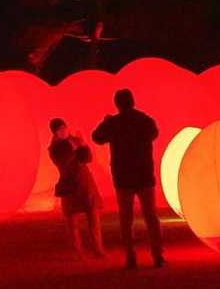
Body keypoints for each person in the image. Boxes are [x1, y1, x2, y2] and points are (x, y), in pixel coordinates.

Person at [92, 88, 165, 269]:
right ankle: (157, 256)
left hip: (123, 177)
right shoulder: (144, 120)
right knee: (151, 217)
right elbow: (154, 133)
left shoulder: (114, 123)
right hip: (144, 175)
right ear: (133, 101)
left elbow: (97, 137)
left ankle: (131, 258)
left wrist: (106, 122)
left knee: (126, 219)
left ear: (117, 104)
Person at [48, 118, 104, 258]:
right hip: (68, 184)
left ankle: (98, 249)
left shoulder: (75, 140)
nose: (63, 131)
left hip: (84, 182)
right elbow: (62, 162)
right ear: (55, 133)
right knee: (72, 221)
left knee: (93, 217)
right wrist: (72, 150)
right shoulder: (54, 147)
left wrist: (83, 145)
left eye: (64, 128)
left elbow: (87, 158)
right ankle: (77, 251)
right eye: (59, 129)